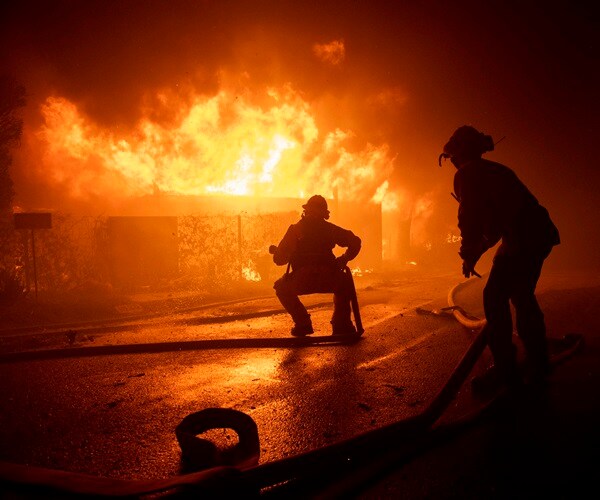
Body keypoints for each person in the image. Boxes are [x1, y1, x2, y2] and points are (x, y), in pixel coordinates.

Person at [440, 125, 560, 393]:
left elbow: (469, 218)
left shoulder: (467, 173)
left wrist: (468, 252)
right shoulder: (495, 170)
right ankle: (538, 362)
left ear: (459, 153)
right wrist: (475, 253)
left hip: (523, 238)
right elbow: (495, 225)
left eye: (452, 156)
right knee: (522, 295)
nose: (452, 162)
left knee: (495, 297)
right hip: (537, 234)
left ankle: (507, 369)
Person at [270, 195, 362, 337]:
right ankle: (341, 324)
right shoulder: (330, 229)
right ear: (325, 214)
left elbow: (279, 260)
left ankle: (303, 323)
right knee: (345, 284)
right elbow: (355, 242)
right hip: (329, 277)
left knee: (281, 288)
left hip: (302, 279)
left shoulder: (296, 230)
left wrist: (283, 253)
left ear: (306, 211)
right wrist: (343, 259)